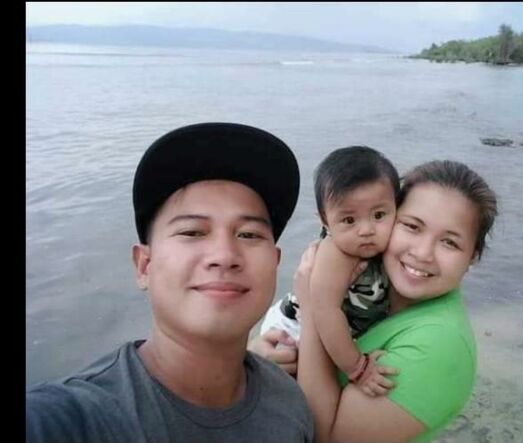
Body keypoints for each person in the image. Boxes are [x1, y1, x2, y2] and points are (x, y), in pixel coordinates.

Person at [26, 122, 314, 443]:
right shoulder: (72, 419)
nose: (224, 255)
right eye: (192, 232)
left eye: (248, 234)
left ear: (275, 262)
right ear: (144, 266)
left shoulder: (290, 404)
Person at [253, 159, 498, 443]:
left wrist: (311, 308)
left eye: (449, 242)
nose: (423, 253)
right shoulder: (368, 273)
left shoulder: (439, 345)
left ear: (473, 256)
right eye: (412, 226)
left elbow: (322, 437)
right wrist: (257, 362)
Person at [259, 146, 400, 395]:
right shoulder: (335, 253)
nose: (366, 230)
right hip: (293, 329)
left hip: (335, 330)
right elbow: (325, 310)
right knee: (291, 391)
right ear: (325, 220)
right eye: (349, 220)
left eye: (379, 215)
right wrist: (358, 368)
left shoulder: (386, 244)